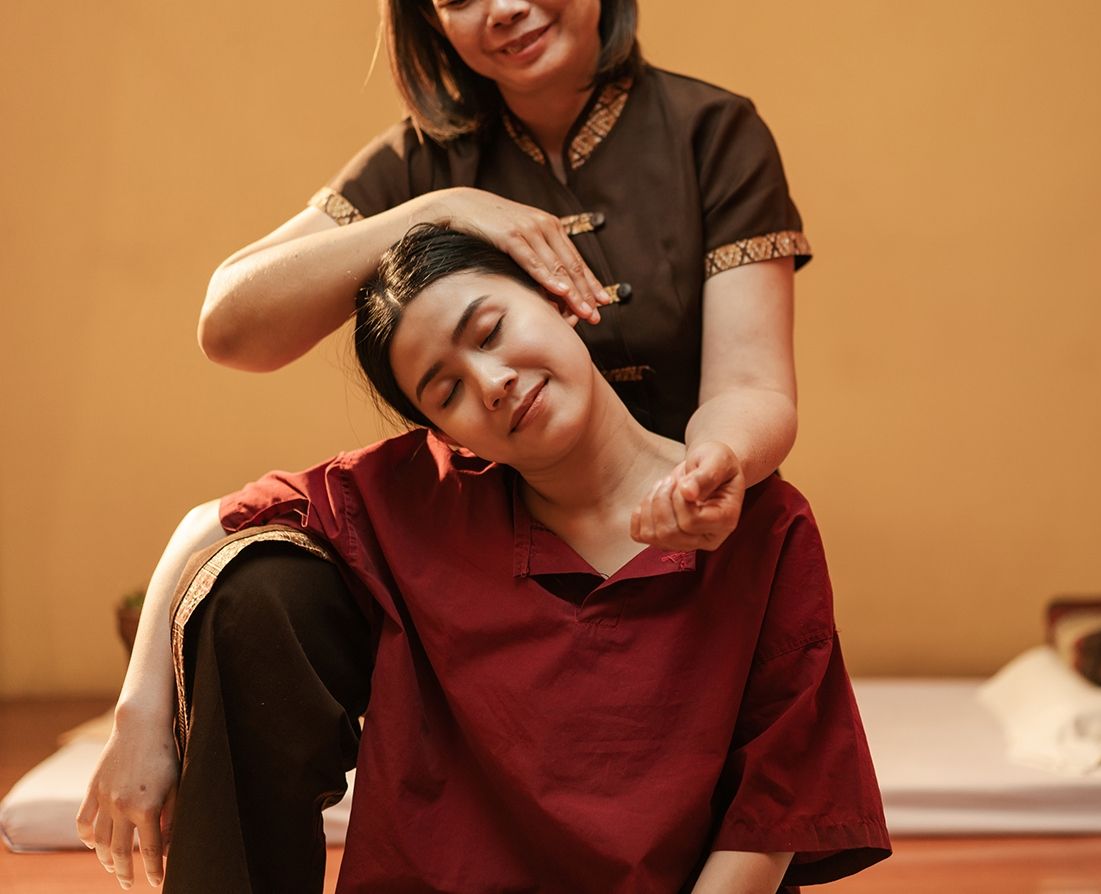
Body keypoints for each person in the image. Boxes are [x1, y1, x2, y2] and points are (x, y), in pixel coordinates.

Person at [79, 1, 812, 889]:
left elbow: (750, 384)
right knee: (257, 591)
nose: (504, 8)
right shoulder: (419, 162)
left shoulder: (710, 133)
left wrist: (712, 469)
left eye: (494, 330)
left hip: (679, 557)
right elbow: (230, 326)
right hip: (473, 562)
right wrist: (436, 208)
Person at [115, 226, 892, 892]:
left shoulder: (762, 524)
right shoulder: (423, 496)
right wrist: (140, 720)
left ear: (561, 299)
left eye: (489, 331)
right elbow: (209, 524)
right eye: (445, 391)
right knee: (253, 582)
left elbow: (771, 810)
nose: (490, 384)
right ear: (443, 431)